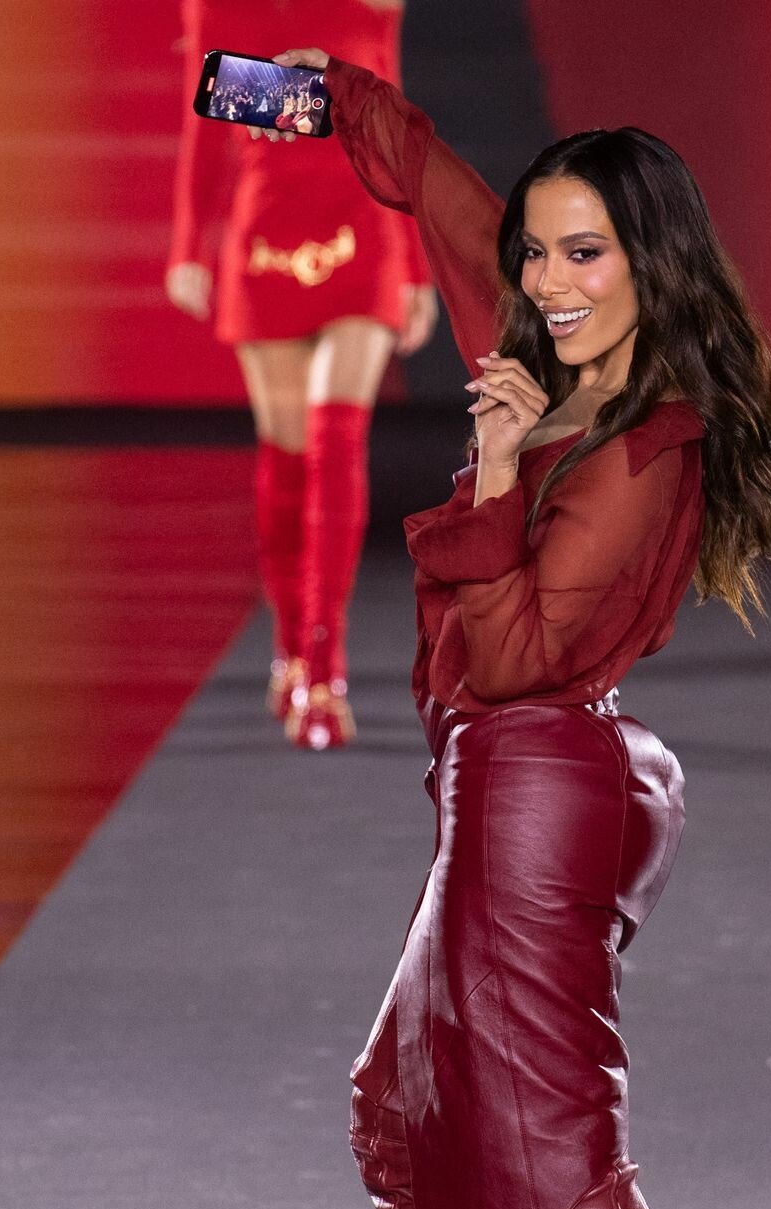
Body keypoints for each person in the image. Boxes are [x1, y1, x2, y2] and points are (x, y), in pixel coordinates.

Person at [266, 43, 771, 1209]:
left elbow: (516, 654)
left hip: (541, 785)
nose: (549, 280)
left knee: (567, 1160)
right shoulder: (536, 346)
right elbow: (434, 185)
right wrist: (303, 99)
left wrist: (505, 471)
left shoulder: (647, 449)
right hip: (495, 784)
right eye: (538, 252)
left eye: (586, 252)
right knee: (399, 1120)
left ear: (651, 262)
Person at [166, 3, 439, 750]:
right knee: (286, 455)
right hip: (268, 233)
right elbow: (208, 118)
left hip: (365, 231)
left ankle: (324, 672)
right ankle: (289, 648)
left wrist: (417, 265)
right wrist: (189, 246)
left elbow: (394, 123)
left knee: (336, 440)